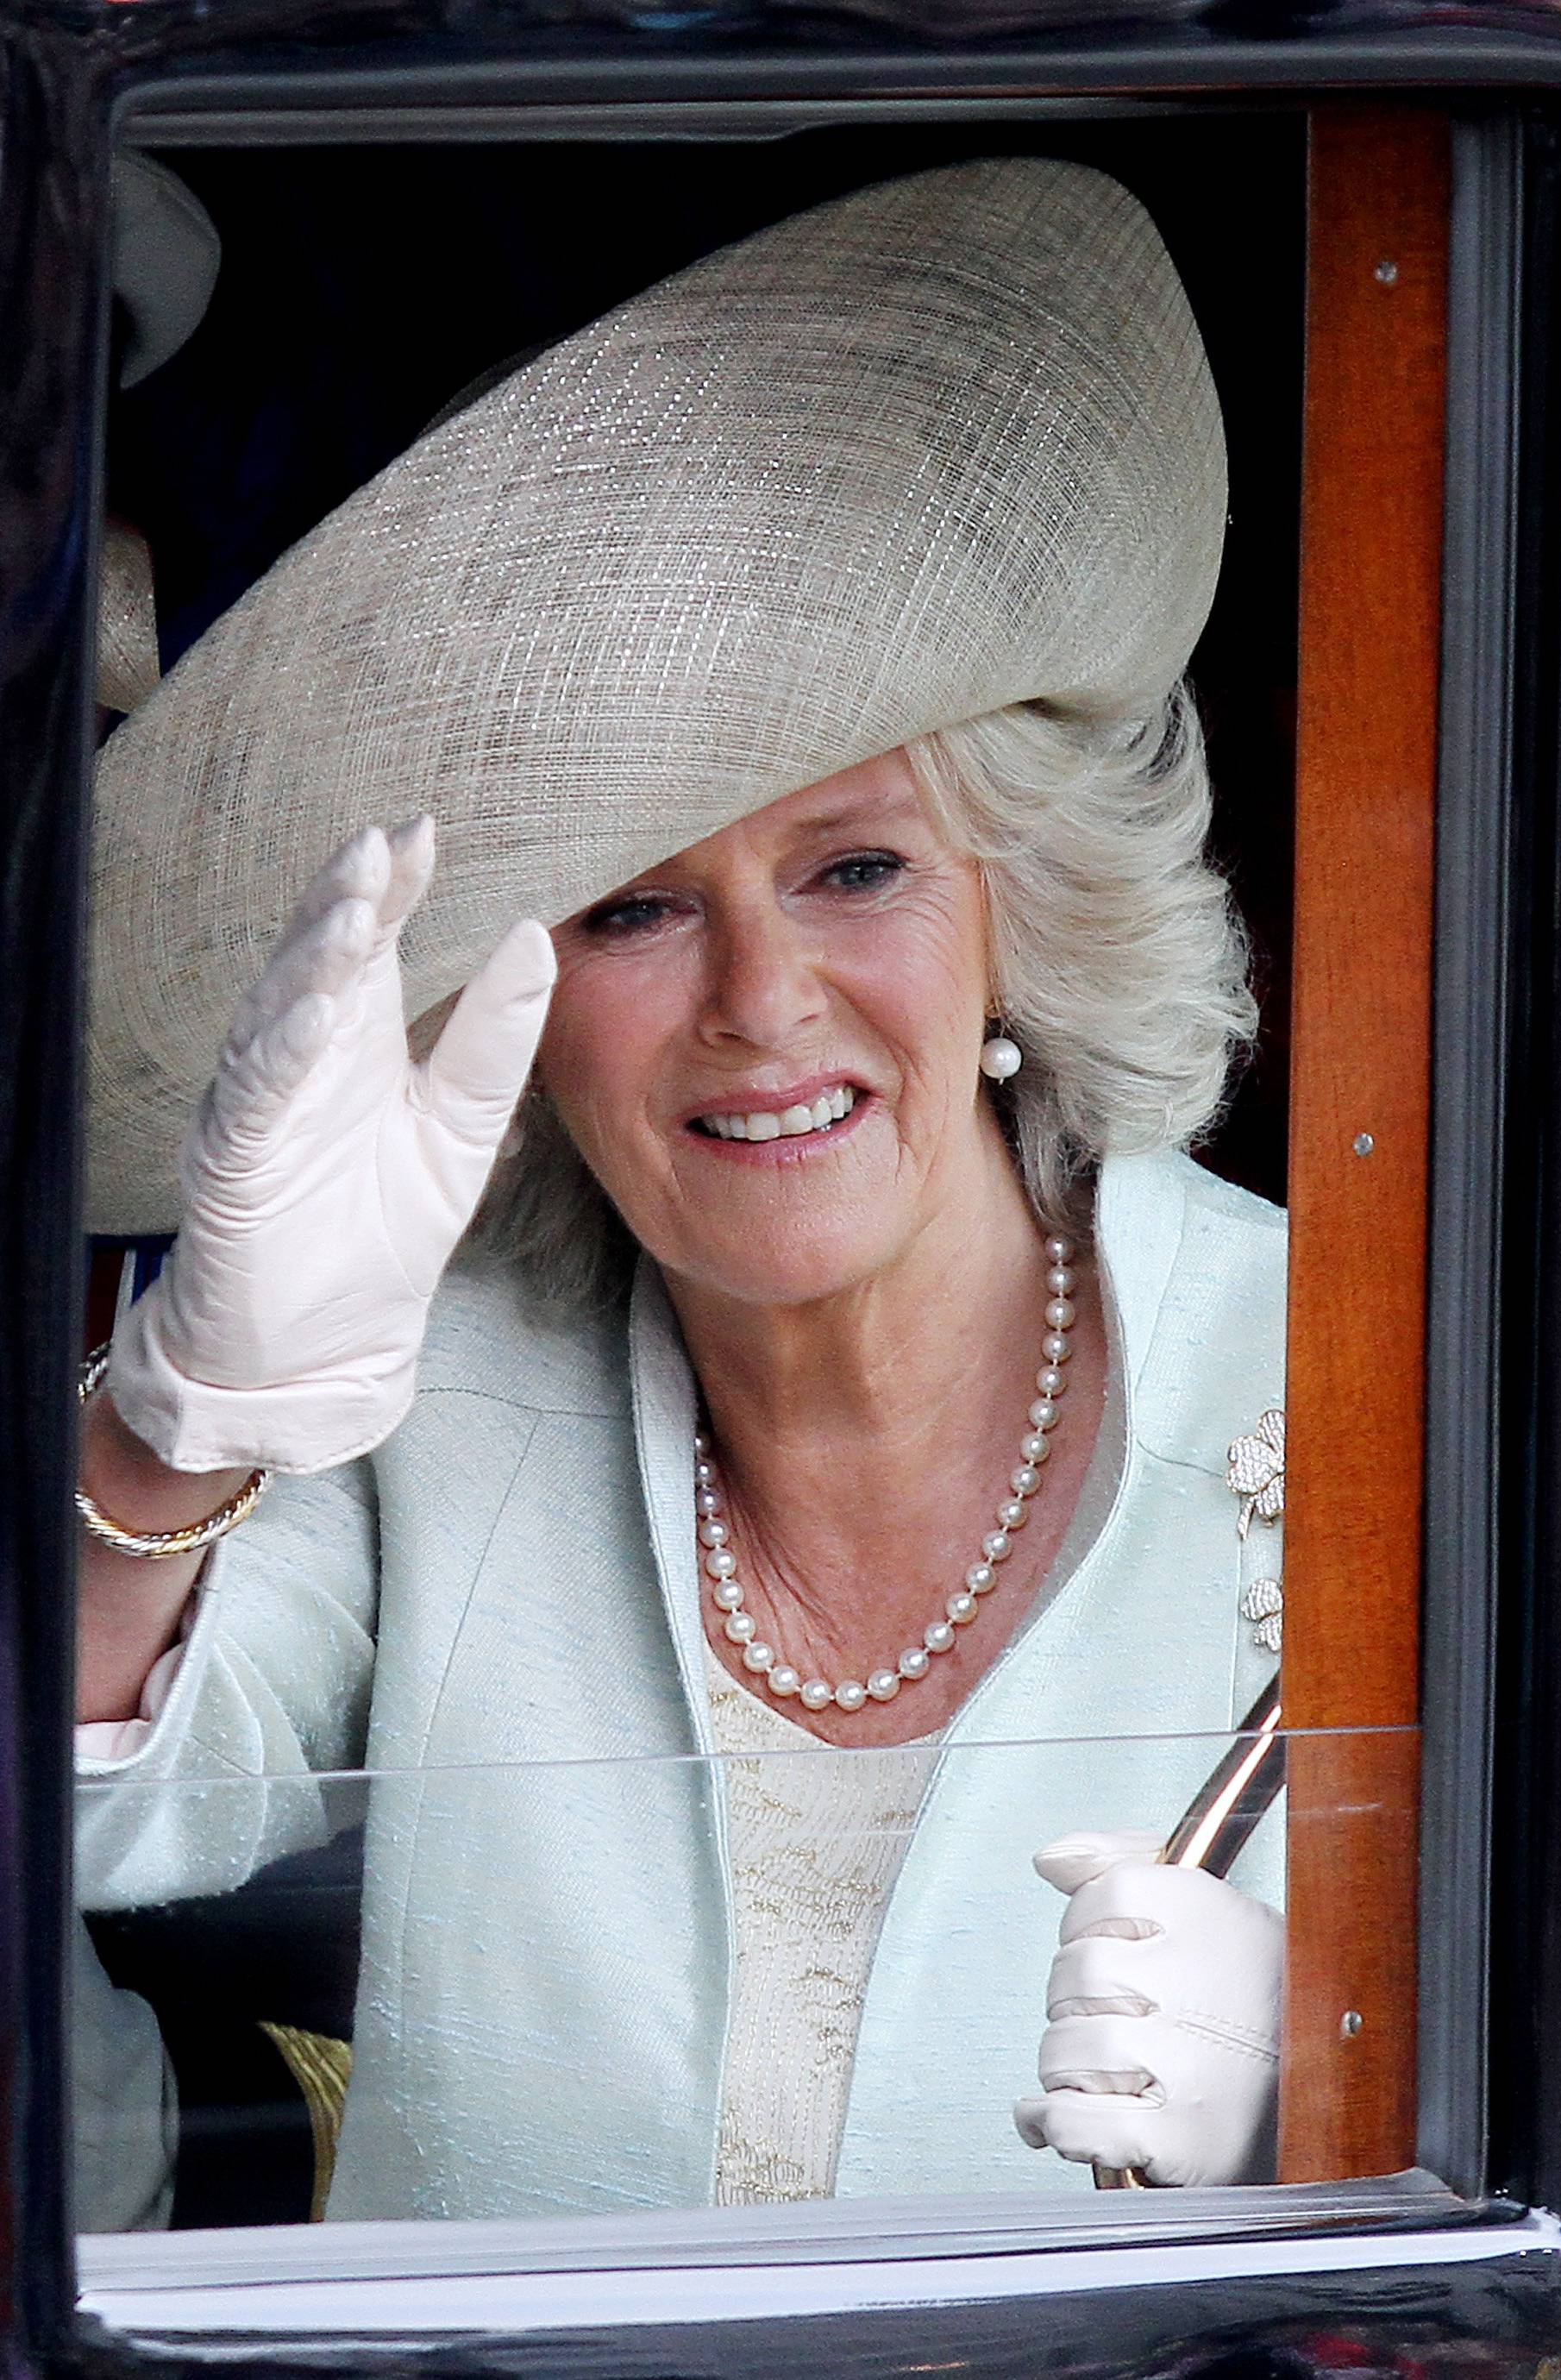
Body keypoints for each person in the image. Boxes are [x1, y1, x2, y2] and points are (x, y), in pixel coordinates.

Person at [72, 156, 1288, 2223]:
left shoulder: (1370, 1379)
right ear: (514, 1010)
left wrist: (1350, 2097)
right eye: (635, 911)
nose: (760, 1004)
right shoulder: (434, 1379)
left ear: (1027, 911)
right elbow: (78, 1814)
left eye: (857, 868)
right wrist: (173, 1424)